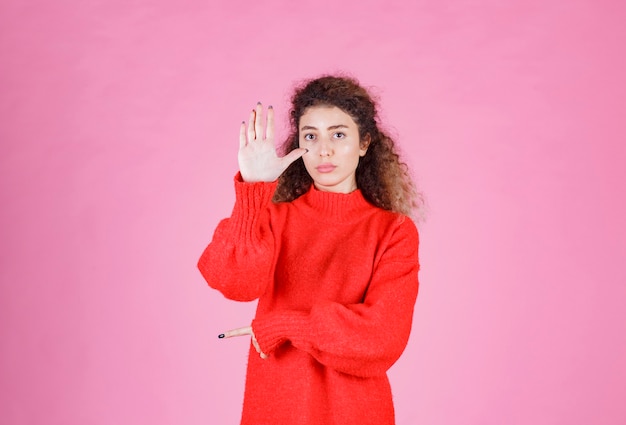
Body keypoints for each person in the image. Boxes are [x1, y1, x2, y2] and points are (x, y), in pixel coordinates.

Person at [198, 75, 422, 425]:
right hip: (276, 406)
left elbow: (382, 338)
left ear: (364, 143)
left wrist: (287, 326)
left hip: (355, 411)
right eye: (310, 136)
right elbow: (234, 282)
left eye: (338, 134)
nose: (323, 150)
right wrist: (253, 191)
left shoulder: (393, 231)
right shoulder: (274, 218)